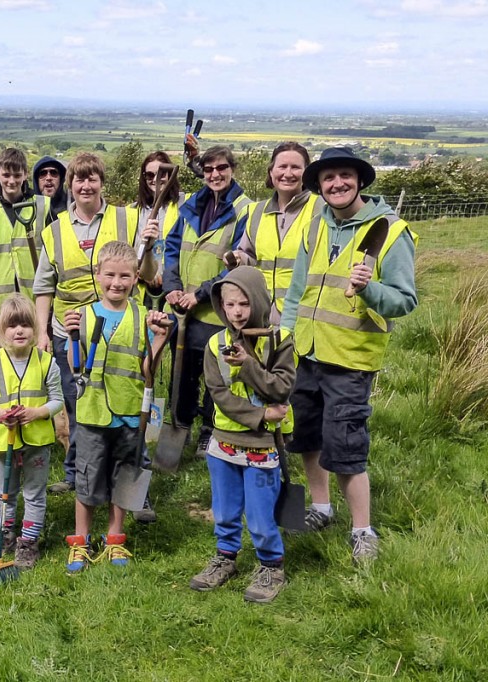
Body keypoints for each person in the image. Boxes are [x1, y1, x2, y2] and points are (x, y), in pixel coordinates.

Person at [280, 147, 418, 564]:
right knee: (305, 435)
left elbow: (405, 300)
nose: (337, 184)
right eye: (328, 178)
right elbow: (297, 290)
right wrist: (284, 341)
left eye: (345, 176)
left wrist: (369, 288)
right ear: (319, 186)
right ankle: (320, 508)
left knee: (345, 447)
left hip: (351, 359)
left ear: (359, 181)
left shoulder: (391, 232)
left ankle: (363, 529)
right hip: (306, 350)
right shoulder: (315, 226)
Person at [32, 151, 139, 494]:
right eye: (79, 179)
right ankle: (77, 475)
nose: (86, 185)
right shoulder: (54, 232)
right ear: (70, 185)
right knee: (77, 405)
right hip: (71, 333)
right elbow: (43, 288)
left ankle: (133, 486)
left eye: (93, 178)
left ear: (102, 183)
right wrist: (42, 333)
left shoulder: (128, 220)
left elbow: (148, 273)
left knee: (128, 407)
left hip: (119, 331)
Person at [62, 242, 170, 574]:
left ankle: (115, 538)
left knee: (124, 475)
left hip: (129, 412)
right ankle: (81, 542)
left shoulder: (141, 317)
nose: (116, 283)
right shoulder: (86, 314)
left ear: (137, 278)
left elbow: (147, 372)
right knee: (88, 477)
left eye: (125, 276)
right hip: (93, 413)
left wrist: (160, 339)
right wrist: (72, 336)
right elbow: (74, 367)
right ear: (98, 276)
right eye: (109, 275)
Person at [192, 266, 296, 603]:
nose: (236, 312)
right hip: (224, 440)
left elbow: (281, 387)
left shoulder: (280, 339)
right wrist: (261, 414)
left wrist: (248, 366)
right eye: (229, 305)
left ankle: (271, 565)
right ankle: (225, 557)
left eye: (244, 304)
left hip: (265, 443)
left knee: (261, 510)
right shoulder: (215, 343)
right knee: (224, 507)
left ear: (260, 301)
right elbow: (218, 393)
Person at [163, 145, 251, 458]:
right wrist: (172, 287)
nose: (215, 174)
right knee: (182, 374)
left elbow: (236, 265)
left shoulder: (244, 210)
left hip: (216, 312)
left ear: (232, 169)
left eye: (221, 168)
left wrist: (198, 294)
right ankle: (180, 428)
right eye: (209, 169)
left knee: (217, 378)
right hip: (181, 312)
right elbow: (171, 247)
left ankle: (209, 432)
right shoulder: (191, 204)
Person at [0, 294, 64, 570]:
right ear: (0, 331)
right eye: (12, 326)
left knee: (34, 493)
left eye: (25, 324)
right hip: (3, 441)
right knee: (5, 492)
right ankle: (5, 535)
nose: (19, 330)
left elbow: (58, 399)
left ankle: (29, 542)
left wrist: (37, 413)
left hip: (37, 440)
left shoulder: (46, 361)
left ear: (35, 329)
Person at [230, 142, 323, 325]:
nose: (288, 174)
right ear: (271, 172)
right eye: (282, 166)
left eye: (296, 167)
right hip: (260, 315)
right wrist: (238, 258)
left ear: (306, 174)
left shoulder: (320, 209)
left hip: (303, 317)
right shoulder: (256, 211)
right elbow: (250, 255)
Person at [0, 148, 51, 333]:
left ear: (26, 174)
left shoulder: (43, 205)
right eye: (6, 175)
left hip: (35, 300)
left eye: (17, 175)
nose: (11, 181)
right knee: (0, 360)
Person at [133, 151, 186, 306]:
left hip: (176, 290)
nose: (155, 179)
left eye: (161, 174)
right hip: (142, 292)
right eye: (150, 175)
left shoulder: (184, 204)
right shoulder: (133, 211)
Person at [33, 155, 69, 224]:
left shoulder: (73, 207)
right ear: (36, 181)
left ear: (60, 179)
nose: (48, 178)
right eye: (43, 173)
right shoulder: (28, 209)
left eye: (53, 173)